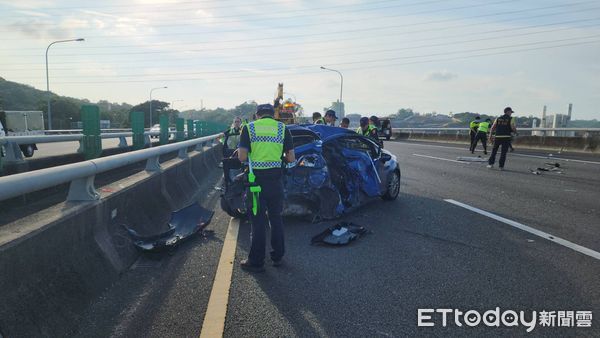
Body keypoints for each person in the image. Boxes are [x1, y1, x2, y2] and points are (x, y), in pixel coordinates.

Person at [237, 103, 295, 272]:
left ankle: (256, 261)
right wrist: (279, 158)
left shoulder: (249, 128)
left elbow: (241, 157)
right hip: (275, 181)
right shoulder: (282, 129)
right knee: (276, 218)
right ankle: (278, 257)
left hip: (256, 183)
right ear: (273, 114)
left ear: (257, 115)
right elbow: (291, 158)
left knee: (257, 221)